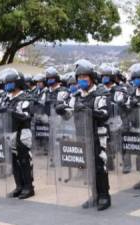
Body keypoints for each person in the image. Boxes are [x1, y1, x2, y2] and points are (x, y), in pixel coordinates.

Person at [55, 59, 111, 211]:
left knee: (100, 166)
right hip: (82, 135)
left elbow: (105, 115)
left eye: (84, 77)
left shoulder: (101, 93)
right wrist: (61, 110)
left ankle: (104, 196)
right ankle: (94, 195)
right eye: (79, 78)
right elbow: (68, 115)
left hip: (98, 135)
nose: (81, 80)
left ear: (92, 78)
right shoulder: (76, 95)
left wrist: (88, 110)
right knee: (89, 167)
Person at [0, 68, 35, 199]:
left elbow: (26, 116)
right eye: (7, 83)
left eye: (11, 83)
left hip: (22, 133)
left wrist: (10, 112)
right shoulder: (5, 98)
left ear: (18, 83)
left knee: (24, 160)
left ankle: (28, 187)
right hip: (9, 133)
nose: (8, 85)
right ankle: (19, 186)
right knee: (14, 161)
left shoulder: (26, 97)